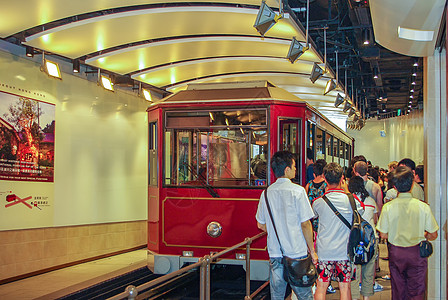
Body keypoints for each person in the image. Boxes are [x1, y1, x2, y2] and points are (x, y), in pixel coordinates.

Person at [255, 151, 317, 300]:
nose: (296, 169)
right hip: (297, 254)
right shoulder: (298, 191)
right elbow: (305, 224)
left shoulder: (266, 193)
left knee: (277, 295)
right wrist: (312, 251)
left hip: (276, 253)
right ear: (286, 169)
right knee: (305, 295)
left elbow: (261, 225)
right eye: (294, 166)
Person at [376, 166, 439, 299]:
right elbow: (434, 234)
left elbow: (383, 234)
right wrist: (423, 235)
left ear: (395, 187)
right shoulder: (423, 207)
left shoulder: (388, 207)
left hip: (396, 253)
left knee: (398, 289)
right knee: (416, 290)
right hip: (417, 252)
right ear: (412, 185)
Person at [312, 162, 353, 300]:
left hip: (324, 251)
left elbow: (313, 217)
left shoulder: (318, 202)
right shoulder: (352, 201)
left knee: (321, 285)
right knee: (344, 287)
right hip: (344, 251)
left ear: (324, 178)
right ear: (342, 178)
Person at [348, 176, 380, 300]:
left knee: (355, 272)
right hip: (371, 240)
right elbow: (375, 220)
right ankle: (366, 298)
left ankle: (355, 298)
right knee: (368, 272)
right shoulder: (371, 201)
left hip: (355, 241)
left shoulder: (349, 201)